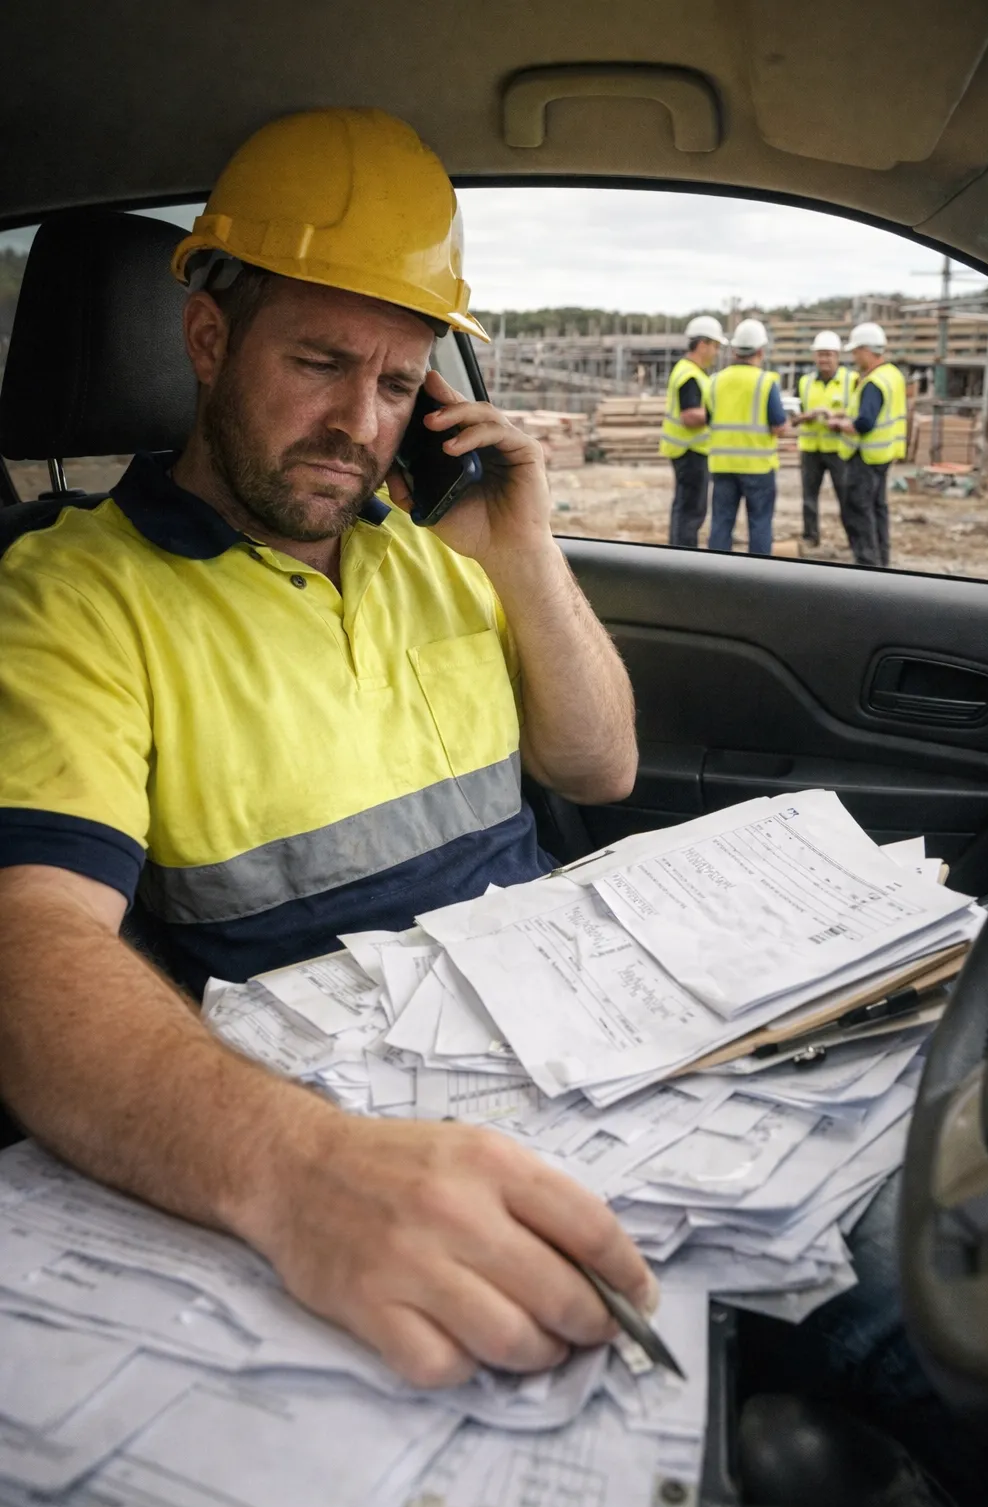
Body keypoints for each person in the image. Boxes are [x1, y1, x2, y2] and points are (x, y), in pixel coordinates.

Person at [0, 108, 658, 1391]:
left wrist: (523, 538)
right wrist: (301, 1175)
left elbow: (601, 771)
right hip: (354, 1150)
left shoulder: (435, 555)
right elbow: (30, 951)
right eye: (318, 362)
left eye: (402, 383)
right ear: (207, 339)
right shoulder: (73, 597)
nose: (361, 422)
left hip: (585, 1081)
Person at [829, 322, 907, 566]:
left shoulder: (873, 382)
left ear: (866, 350)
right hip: (883, 455)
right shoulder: (892, 375)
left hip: (865, 458)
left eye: (856, 351)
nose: (854, 357)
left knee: (859, 513)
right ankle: (881, 561)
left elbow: (865, 423)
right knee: (878, 510)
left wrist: (839, 424)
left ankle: (868, 565)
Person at [707, 318, 787, 555]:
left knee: (721, 523)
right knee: (760, 523)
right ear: (761, 351)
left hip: (722, 466)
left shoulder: (714, 381)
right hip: (758, 468)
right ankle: (758, 580)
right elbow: (778, 426)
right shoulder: (765, 382)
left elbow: (709, 418)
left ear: (734, 351)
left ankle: (714, 574)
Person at [659, 314, 724, 547]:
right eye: (715, 346)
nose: (716, 352)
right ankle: (683, 556)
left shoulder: (687, 370)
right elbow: (689, 416)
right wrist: (720, 415)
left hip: (685, 450)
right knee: (691, 510)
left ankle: (677, 552)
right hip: (690, 451)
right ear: (702, 344)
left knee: (683, 507)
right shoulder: (690, 375)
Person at [793, 330, 856, 546]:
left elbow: (860, 413)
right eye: (820, 355)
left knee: (847, 497)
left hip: (838, 449)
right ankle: (811, 536)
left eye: (828, 354)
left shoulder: (852, 381)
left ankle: (854, 537)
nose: (824, 360)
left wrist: (834, 416)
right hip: (811, 449)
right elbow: (793, 417)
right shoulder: (805, 383)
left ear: (837, 356)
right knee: (809, 497)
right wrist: (807, 416)